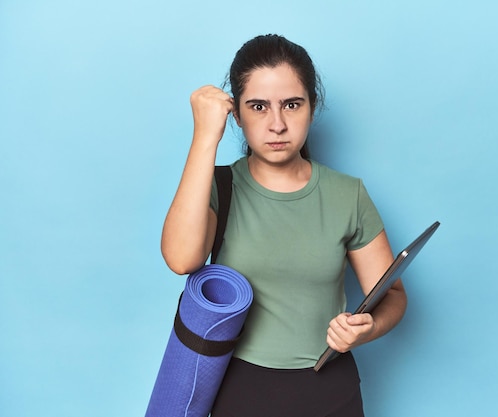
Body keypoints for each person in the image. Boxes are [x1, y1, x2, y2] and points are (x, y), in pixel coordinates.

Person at [161, 34, 407, 417]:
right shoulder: (215, 187)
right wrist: (205, 136)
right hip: (239, 390)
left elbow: (392, 296)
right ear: (237, 115)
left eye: (291, 105)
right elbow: (181, 259)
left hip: (331, 388)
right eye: (258, 107)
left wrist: (367, 329)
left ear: (312, 107)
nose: (277, 124)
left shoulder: (348, 195)